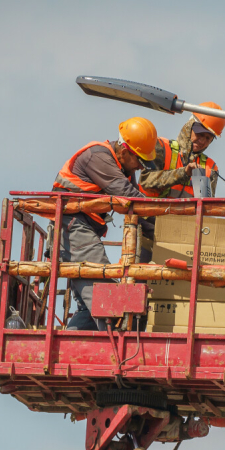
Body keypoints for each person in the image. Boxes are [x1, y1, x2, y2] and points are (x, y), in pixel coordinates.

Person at [53, 117, 159, 329]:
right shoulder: (98, 157)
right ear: (124, 151)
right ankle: (119, 350)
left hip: (82, 229)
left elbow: (137, 211)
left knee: (89, 306)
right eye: (138, 160)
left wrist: (162, 236)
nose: (139, 167)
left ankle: (70, 352)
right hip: (73, 228)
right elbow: (130, 198)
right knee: (107, 301)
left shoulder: (124, 168)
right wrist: (166, 222)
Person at [138, 102, 225, 198]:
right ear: (189, 127)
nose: (202, 141)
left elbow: (208, 207)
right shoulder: (162, 147)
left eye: (208, 138)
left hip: (185, 213)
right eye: (199, 134)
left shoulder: (211, 167)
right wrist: (183, 173)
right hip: (151, 211)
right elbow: (146, 182)